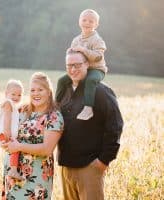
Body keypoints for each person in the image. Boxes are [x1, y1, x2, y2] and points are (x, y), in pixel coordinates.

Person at [56, 49, 123, 200]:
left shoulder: (101, 91)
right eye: (69, 65)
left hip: (89, 167)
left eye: (77, 65)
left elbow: (115, 125)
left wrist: (104, 160)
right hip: (66, 165)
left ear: (87, 64)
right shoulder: (64, 90)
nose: (73, 69)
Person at [1, 72, 64, 200]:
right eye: (33, 90)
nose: (36, 93)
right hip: (13, 174)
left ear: (49, 92)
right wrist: (5, 141)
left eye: (40, 90)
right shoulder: (22, 111)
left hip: (36, 178)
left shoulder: (53, 117)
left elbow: (47, 149)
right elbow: (8, 128)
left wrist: (18, 147)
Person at [56, 9, 108, 120]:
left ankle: (88, 107)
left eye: (91, 21)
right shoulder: (76, 40)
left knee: (90, 80)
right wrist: (69, 52)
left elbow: (98, 56)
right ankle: (56, 105)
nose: (87, 23)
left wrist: (83, 50)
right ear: (79, 22)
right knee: (62, 80)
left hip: (95, 69)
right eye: (84, 20)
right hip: (80, 69)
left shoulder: (97, 40)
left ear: (96, 24)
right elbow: (72, 55)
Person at [0, 79, 24, 180]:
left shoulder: (13, 104)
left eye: (19, 95)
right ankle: (13, 170)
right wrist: (8, 135)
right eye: (13, 94)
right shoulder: (8, 103)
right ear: (6, 94)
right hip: (5, 132)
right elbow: (7, 120)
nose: (16, 97)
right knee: (15, 148)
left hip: (4, 132)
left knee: (14, 150)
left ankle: (13, 170)